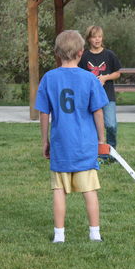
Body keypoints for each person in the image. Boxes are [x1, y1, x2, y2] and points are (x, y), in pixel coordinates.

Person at [35, 30, 109, 243]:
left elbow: (44, 113)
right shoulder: (90, 79)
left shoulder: (49, 78)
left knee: (58, 190)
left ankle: (59, 235)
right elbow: (98, 111)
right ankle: (95, 234)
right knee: (90, 190)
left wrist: (45, 141)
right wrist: (101, 140)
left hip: (60, 144)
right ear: (81, 52)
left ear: (57, 53)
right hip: (84, 144)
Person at [78, 25, 122, 163]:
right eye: (94, 37)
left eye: (99, 36)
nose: (97, 39)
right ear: (89, 39)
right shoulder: (84, 56)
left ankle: (112, 151)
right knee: (95, 126)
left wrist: (105, 78)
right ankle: (99, 153)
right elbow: (80, 74)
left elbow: (118, 73)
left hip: (107, 96)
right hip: (90, 97)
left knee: (111, 125)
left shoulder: (109, 54)